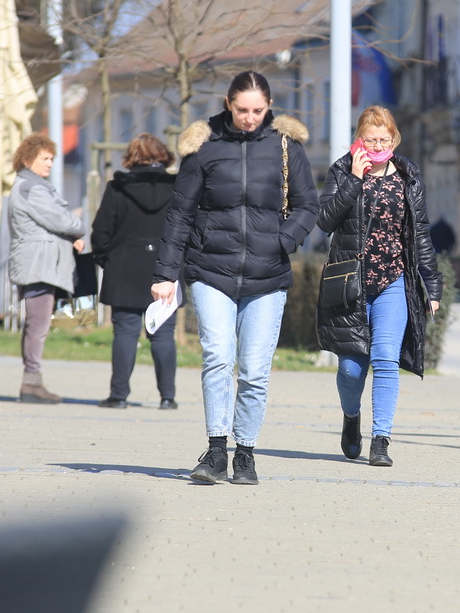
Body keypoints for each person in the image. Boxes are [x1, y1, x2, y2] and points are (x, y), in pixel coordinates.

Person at [150, 71, 319, 485]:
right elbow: (180, 213)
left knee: (255, 369)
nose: (250, 118)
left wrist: (283, 240)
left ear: (269, 106)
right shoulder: (204, 147)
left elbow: (308, 205)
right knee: (218, 356)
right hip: (211, 270)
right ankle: (216, 450)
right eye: (242, 110)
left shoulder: (286, 146)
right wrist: (165, 273)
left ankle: (246, 453)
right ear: (228, 104)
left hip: (267, 274)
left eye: (258, 110)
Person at [316, 106, 443, 467]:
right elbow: (325, 221)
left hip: (394, 280)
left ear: (394, 139)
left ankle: (381, 440)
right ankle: (351, 416)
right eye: (370, 139)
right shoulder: (342, 170)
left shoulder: (407, 175)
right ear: (359, 138)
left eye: (384, 139)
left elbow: (421, 234)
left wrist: (432, 287)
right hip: (351, 283)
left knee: (385, 359)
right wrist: (355, 180)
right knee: (351, 368)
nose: (377, 145)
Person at [91, 133, 178, 410]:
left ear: (132, 157)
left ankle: (118, 396)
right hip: (164, 268)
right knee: (163, 335)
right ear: (163, 154)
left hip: (123, 266)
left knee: (125, 333)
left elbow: (102, 230)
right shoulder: (177, 187)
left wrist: (106, 258)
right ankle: (167, 397)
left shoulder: (118, 187)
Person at [7, 133, 86, 404]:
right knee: (38, 325)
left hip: (37, 261)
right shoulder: (34, 189)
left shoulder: (28, 186)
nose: (50, 163)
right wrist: (77, 227)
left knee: (37, 324)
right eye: (45, 158)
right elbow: (61, 220)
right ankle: (31, 382)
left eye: (52, 158)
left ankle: (32, 382)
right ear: (28, 159)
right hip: (37, 264)